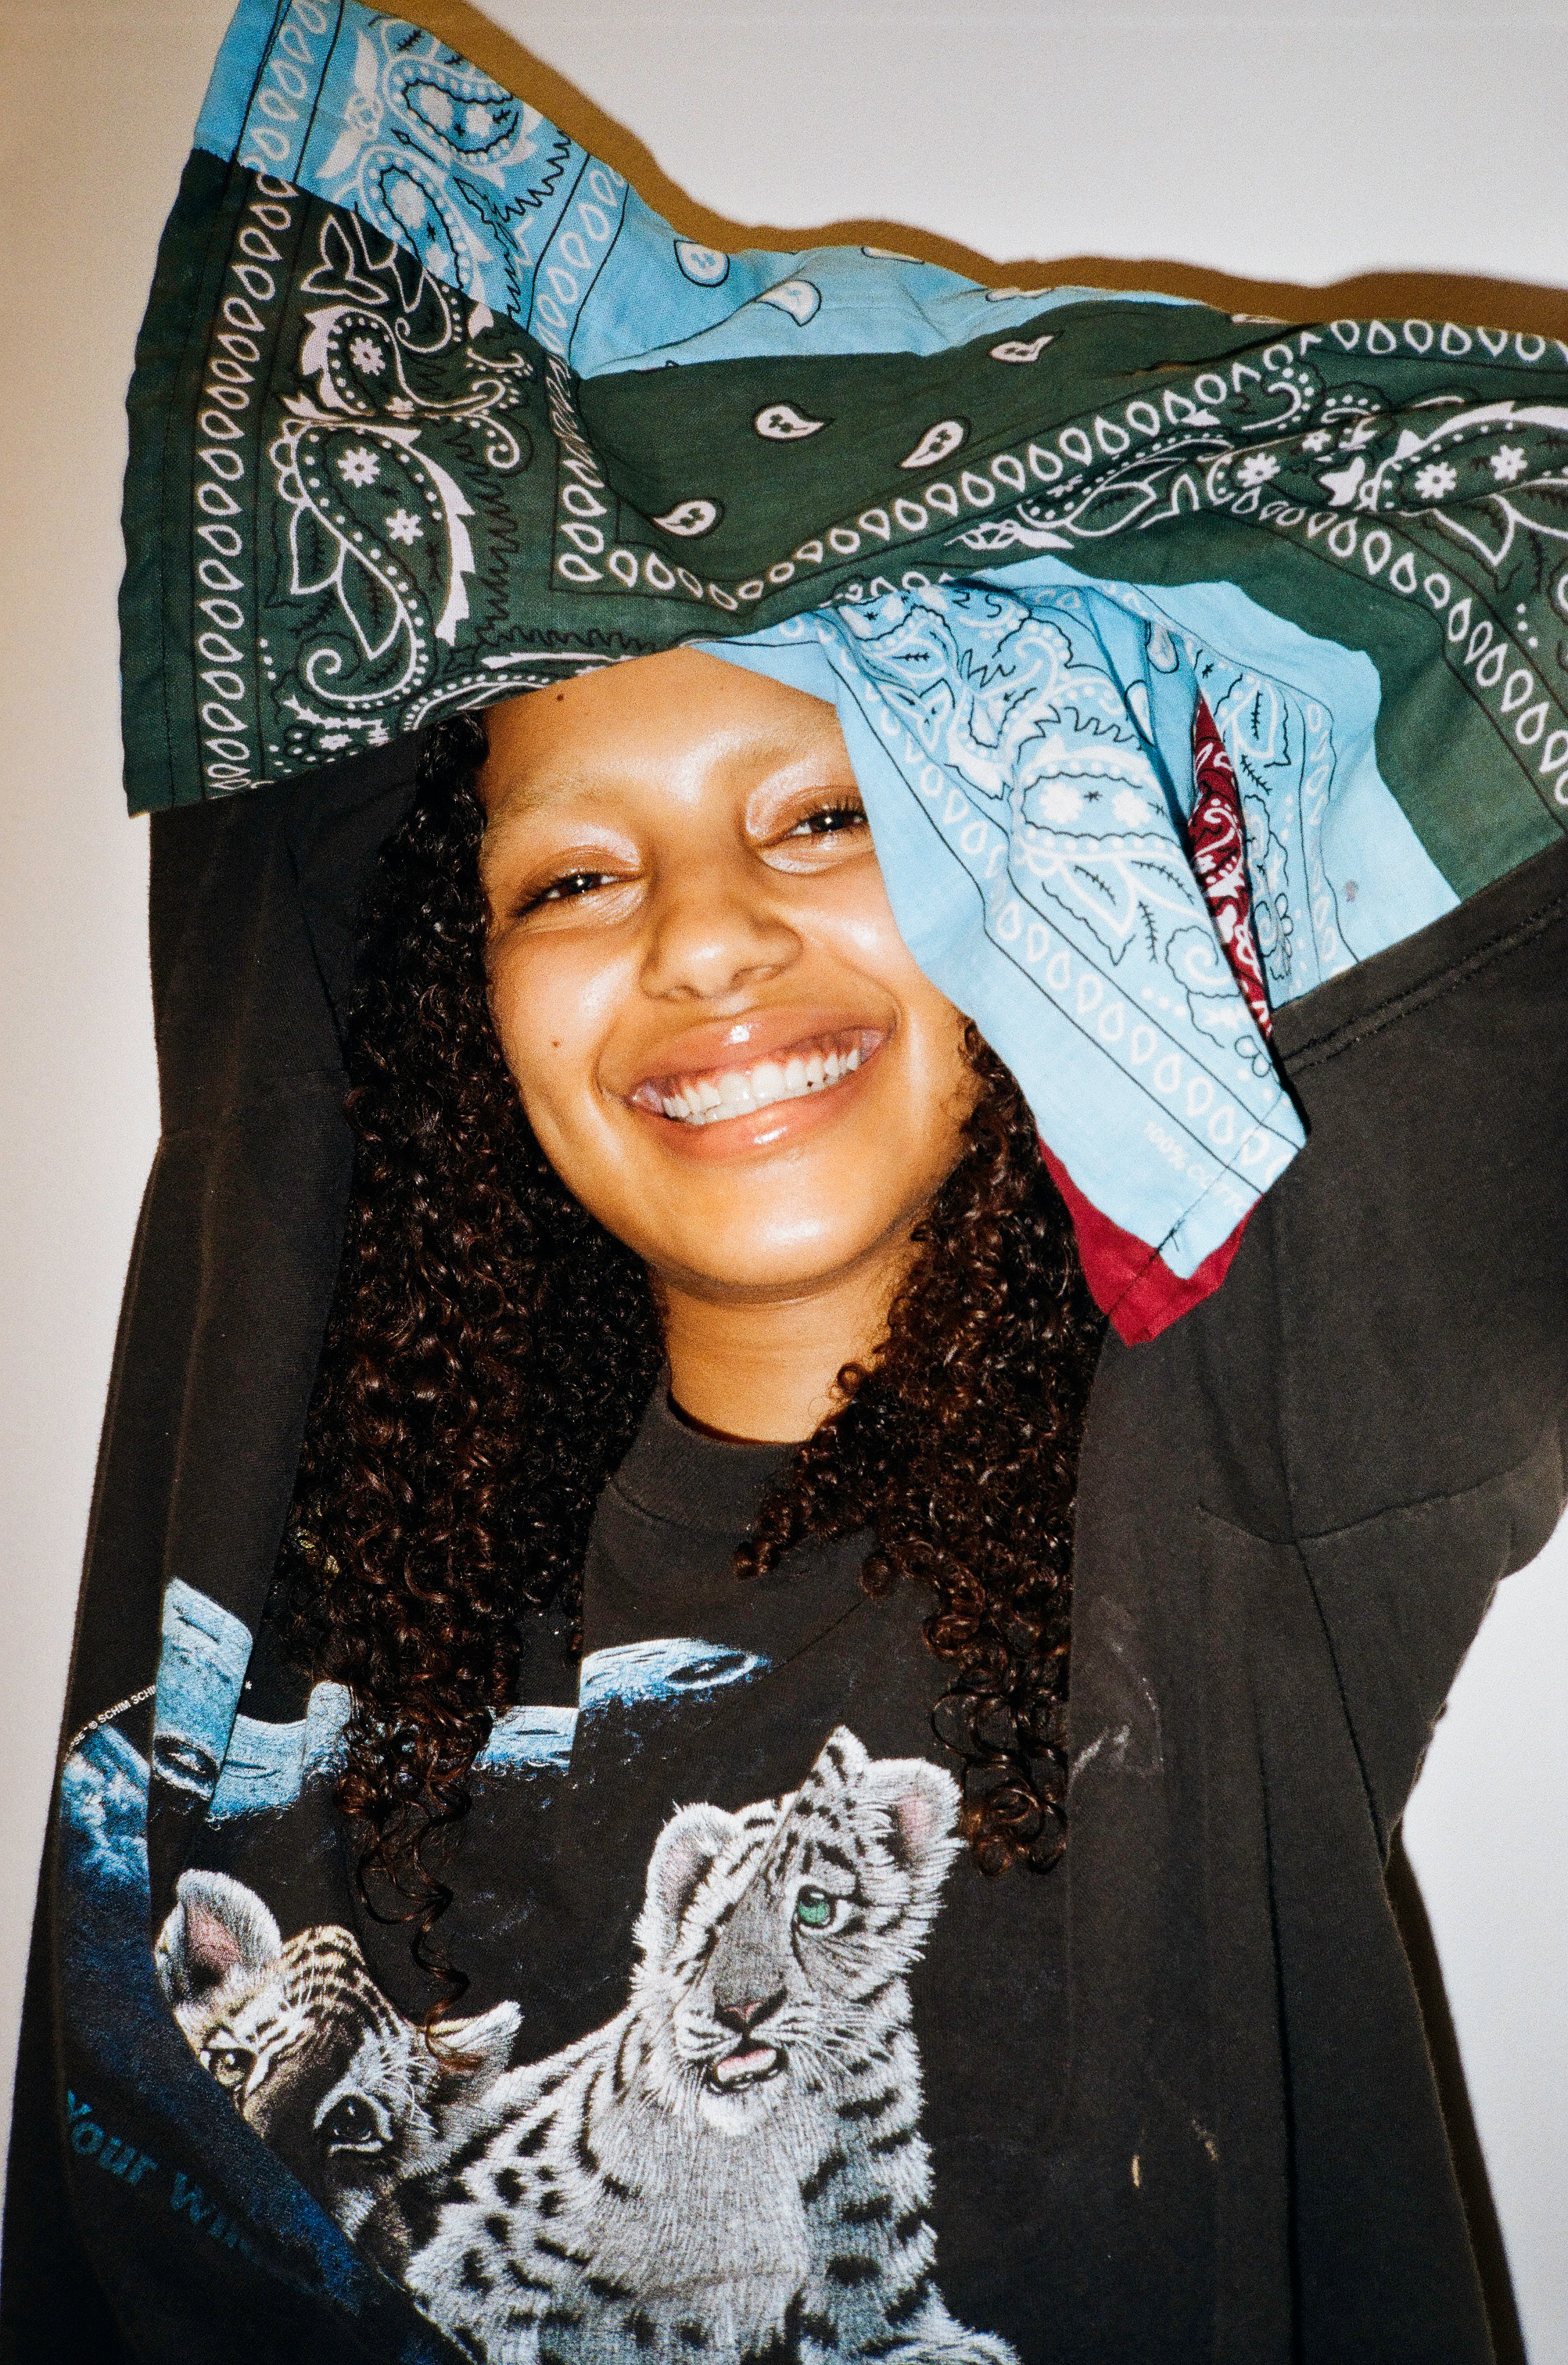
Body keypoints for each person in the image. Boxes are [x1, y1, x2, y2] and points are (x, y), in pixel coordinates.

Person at [5, 4, 1566, 2360]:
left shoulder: (1239, 1446)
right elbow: (280, 765)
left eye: (831, 818)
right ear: (457, 1000)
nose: (706, 939)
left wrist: (843, 507)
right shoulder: (280, 1484)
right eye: (571, 878)